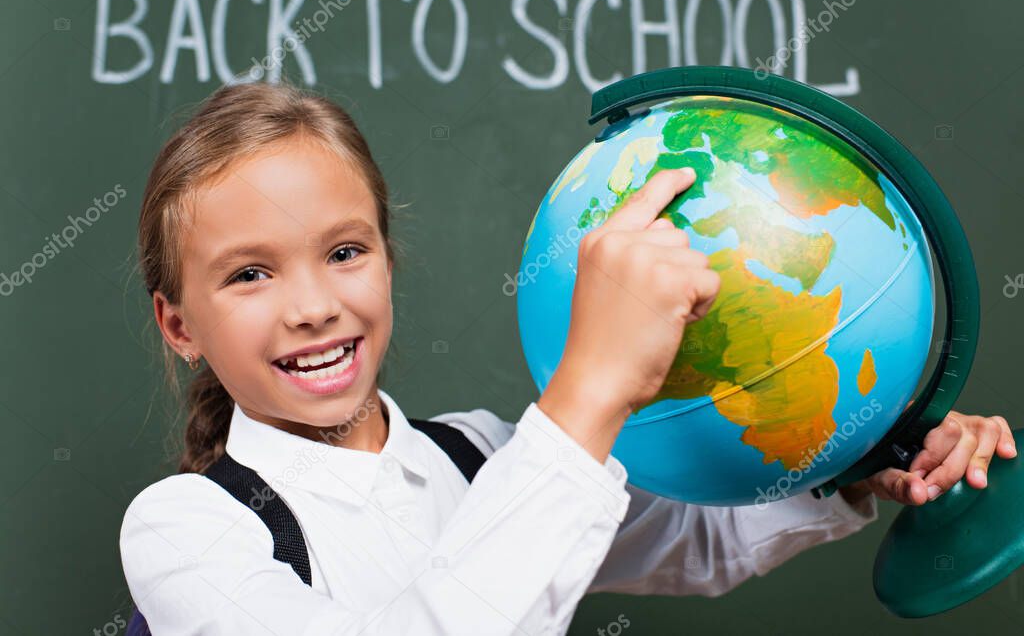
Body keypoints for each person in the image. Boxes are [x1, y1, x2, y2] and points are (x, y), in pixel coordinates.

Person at [120, 80, 1017, 635]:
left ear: (389, 260)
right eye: (248, 274)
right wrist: (589, 389)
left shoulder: (477, 453)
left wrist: (861, 467)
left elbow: (696, 534)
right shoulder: (183, 532)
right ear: (178, 324)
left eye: (345, 252)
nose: (314, 306)